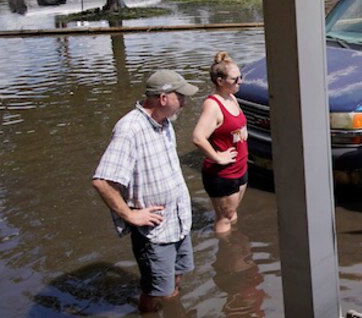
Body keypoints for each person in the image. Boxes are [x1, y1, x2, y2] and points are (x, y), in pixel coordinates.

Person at [92, 69, 199, 314]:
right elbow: (102, 181)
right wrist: (130, 215)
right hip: (155, 232)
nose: (184, 101)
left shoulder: (165, 124)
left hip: (179, 223)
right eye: (180, 96)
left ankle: (174, 309)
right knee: (153, 290)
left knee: (175, 279)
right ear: (163, 98)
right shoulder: (129, 129)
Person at [192, 52, 248, 235]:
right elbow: (198, 137)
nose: (240, 81)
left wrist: (243, 131)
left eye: (241, 77)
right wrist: (217, 157)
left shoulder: (231, 97)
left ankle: (237, 248)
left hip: (240, 167)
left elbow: (236, 122)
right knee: (224, 217)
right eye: (235, 79)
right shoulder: (213, 105)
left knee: (232, 214)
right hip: (223, 174)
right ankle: (226, 256)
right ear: (220, 81)